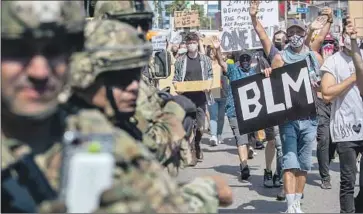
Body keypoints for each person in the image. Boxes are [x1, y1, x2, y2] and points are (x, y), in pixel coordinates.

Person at [63, 19, 233, 213]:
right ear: (86, 79)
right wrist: (206, 190)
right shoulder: (83, 136)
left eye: (136, 75)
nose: (134, 86)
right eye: (121, 78)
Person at [93, 0, 196, 171]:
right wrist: (175, 113)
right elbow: (143, 153)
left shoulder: (133, 74)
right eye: (131, 24)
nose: (140, 33)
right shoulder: (98, 80)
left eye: (145, 24)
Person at [249, 1, 324, 212]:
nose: (294, 35)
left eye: (298, 31)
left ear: (304, 33)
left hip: (310, 119)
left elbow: (325, 89)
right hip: (288, 119)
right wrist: (254, 18)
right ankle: (291, 205)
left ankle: (297, 201)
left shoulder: (314, 57)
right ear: (286, 37)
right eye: (290, 32)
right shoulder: (279, 57)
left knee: (304, 165)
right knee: (290, 162)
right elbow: (263, 37)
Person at [321, 16, 363, 213]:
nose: (350, 35)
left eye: (354, 32)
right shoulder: (333, 62)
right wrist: (352, 78)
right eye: (348, 32)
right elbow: (327, 93)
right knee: (348, 179)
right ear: (341, 35)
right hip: (346, 129)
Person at [173, 32, 214, 163]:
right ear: (186, 45)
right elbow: (176, 78)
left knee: (201, 127)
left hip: (201, 97)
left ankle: (197, 143)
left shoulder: (205, 60)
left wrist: (209, 85)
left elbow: (210, 75)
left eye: (194, 43)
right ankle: (191, 152)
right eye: (189, 43)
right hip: (186, 98)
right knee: (189, 126)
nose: (191, 45)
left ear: (197, 43)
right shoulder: (180, 61)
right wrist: (176, 87)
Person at [316, 33, 339, 190]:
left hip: (337, 104)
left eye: (330, 43)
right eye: (325, 42)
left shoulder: (340, 60)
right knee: (323, 139)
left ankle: (328, 159)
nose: (328, 46)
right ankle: (325, 176)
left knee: (333, 141)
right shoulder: (315, 59)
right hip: (321, 103)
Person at [206, 45, 227, 146]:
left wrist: (218, 48)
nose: (211, 53)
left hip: (223, 91)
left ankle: (219, 134)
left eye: (213, 51)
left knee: (221, 116)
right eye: (209, 51)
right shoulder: (206, 63)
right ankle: (213, 136)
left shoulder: (222, 63)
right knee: (213, 115)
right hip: (212, 91)